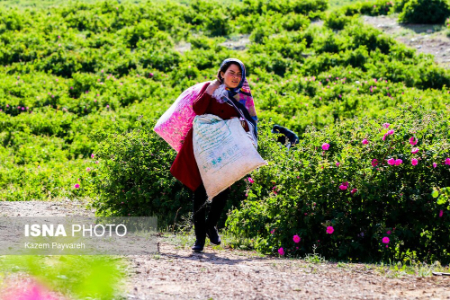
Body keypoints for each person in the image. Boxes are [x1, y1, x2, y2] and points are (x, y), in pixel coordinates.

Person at [170, 58, 258, 252]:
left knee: (222, 189)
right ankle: (199, 239)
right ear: (222, 73)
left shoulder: (243, 97)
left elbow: (248, 122)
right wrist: (211, 89)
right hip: (201, 147)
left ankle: (211, 225)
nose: (235, 77)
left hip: (224, 149)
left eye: (238, 74)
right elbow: (198, 109)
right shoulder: (210, 90)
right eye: (231, 72)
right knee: (200, 192)